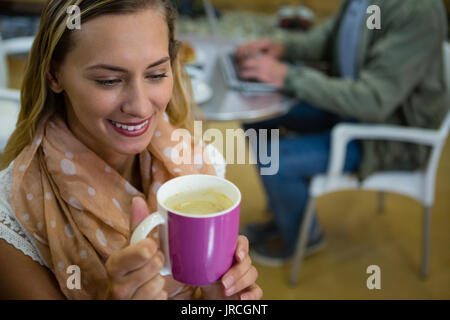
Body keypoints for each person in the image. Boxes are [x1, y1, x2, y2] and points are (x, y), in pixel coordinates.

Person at [0, 0, 262, 300]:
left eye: (155, 74)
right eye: (108, 80)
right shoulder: (12, 222)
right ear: (54, 76)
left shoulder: (199, 163)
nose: (139, 107)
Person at [236, 0, 449, 266]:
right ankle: (286, 212)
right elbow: (330, 38)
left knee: (278, 161)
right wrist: (284, 47)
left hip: (388, 136)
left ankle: (304, 236)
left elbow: (374, 100)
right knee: (258, 121)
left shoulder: (419, 10)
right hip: (350, 108)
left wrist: (288, 76)